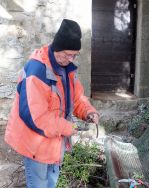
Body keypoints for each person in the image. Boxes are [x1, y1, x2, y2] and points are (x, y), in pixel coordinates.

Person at [4, 19, 99, 188]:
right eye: (67, 54)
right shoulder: (37, 70)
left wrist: (88, 112)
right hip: (35, 143)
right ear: (57, 47)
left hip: (54, 141)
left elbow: (76, 99)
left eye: (74, 55)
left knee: (51, 184)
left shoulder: (66, 68)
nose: (70, 59)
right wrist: (68, 128)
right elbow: (36, 117)